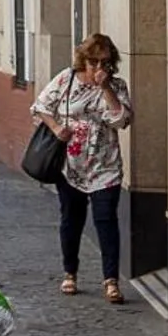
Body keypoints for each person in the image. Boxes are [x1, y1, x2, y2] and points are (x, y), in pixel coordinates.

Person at [32, 32, 133, 305]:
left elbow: (122, 119)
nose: (99, 68)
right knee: (71, 220)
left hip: (105, 165)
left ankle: (111, 280)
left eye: (105, 63)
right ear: (83, 60)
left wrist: (106, 88)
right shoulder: (66, 80)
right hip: (71, 166)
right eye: (94, 62)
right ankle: (70, 272)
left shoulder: (117, 86)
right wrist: (56, 129)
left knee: (106, 221)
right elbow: (41, 105)